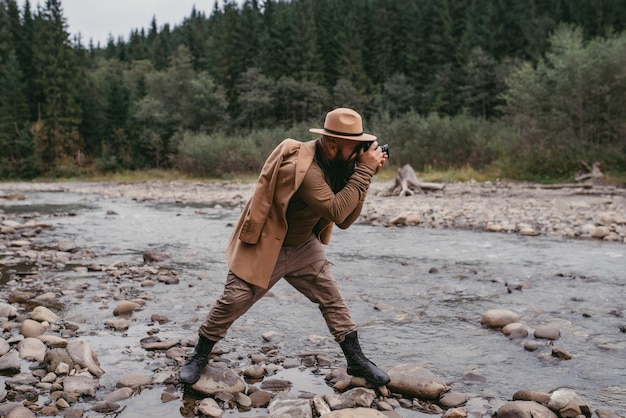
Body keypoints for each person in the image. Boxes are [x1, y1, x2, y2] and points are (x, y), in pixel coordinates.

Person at [179, 107, 390, 387]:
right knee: (233, 300)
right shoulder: (303, 167)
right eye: (356, 149)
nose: (359, 154)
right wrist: (364, 170)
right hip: (269, 243)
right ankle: (199, 355)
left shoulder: (339, 164)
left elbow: (345, 221)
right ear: (331, 145)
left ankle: (356, 360)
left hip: (303, 245)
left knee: (332, 299)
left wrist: (365, 174)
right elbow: (338, 211)